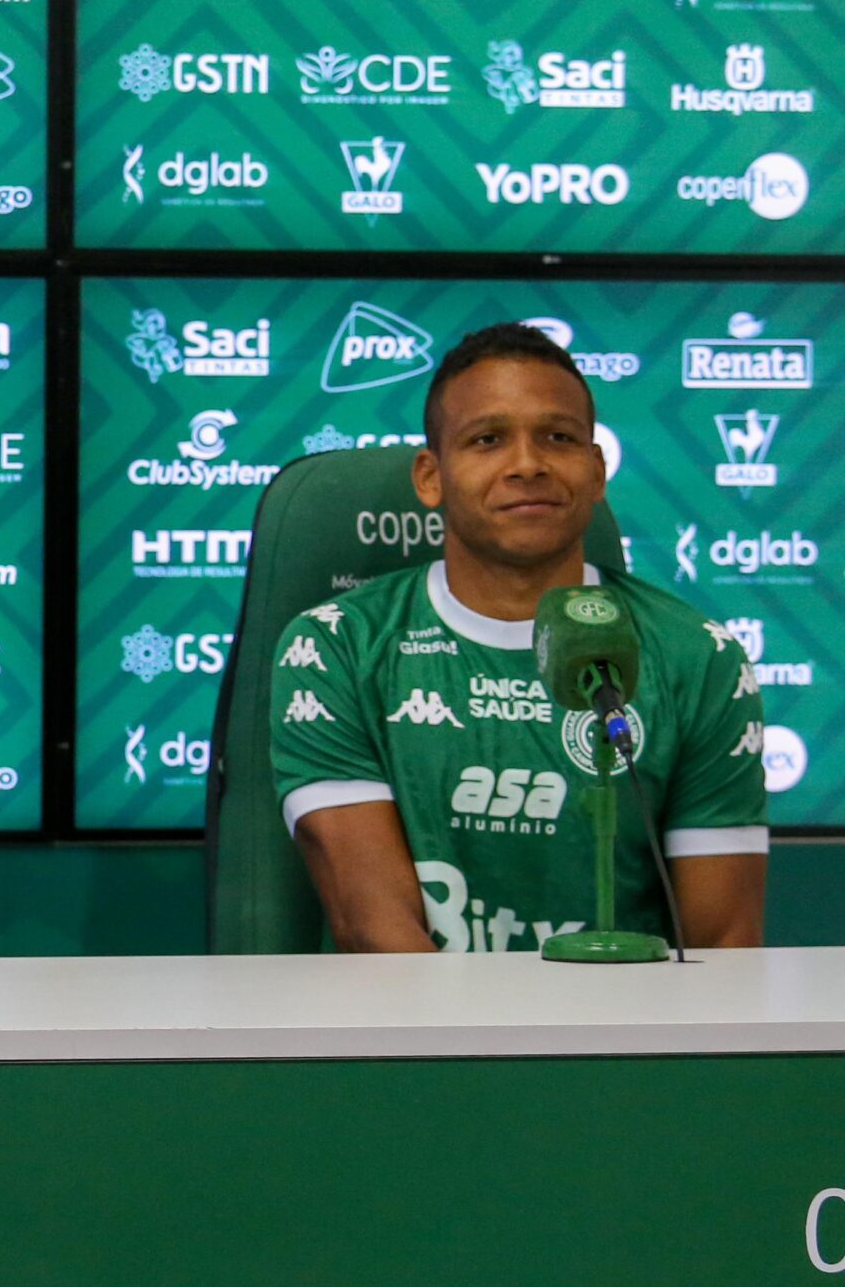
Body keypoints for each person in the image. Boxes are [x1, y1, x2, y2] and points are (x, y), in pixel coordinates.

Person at [271, 322, 768, 953]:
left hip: (630, 1037)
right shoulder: (335, 647)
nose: (527, 464)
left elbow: (723, 946)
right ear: (431, 477)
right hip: (423, 1038)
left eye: (557, 438)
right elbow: (376, 932)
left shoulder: (699, 656)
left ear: (594, 470)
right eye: (488, 439)